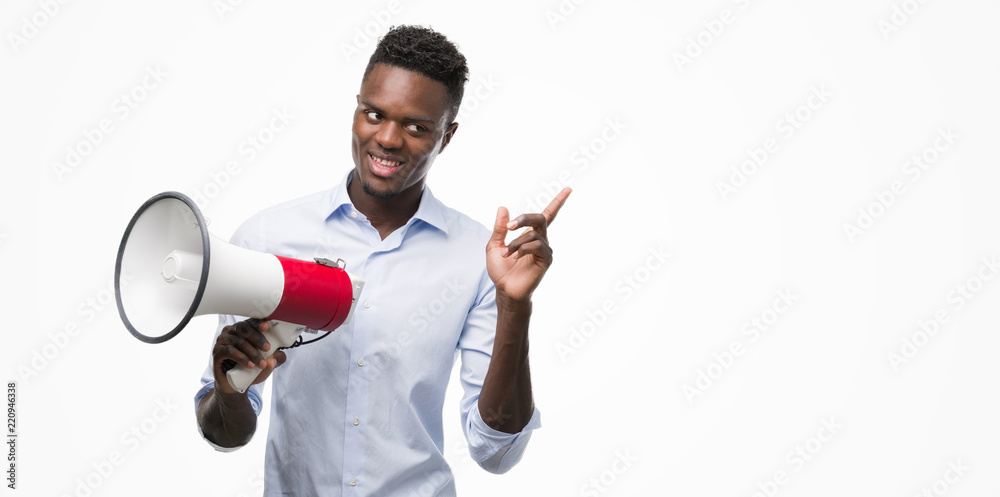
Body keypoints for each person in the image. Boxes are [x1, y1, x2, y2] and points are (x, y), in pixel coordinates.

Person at [193, 25, 571, 495]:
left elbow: (494, 452)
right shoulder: (269, 237)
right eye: (374, 114)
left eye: (417, 127)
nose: (388, 139)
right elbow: (224, 434)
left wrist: (515, 305)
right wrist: (228, 387)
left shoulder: (481, 260)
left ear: (446, 136)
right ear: (356, 110)